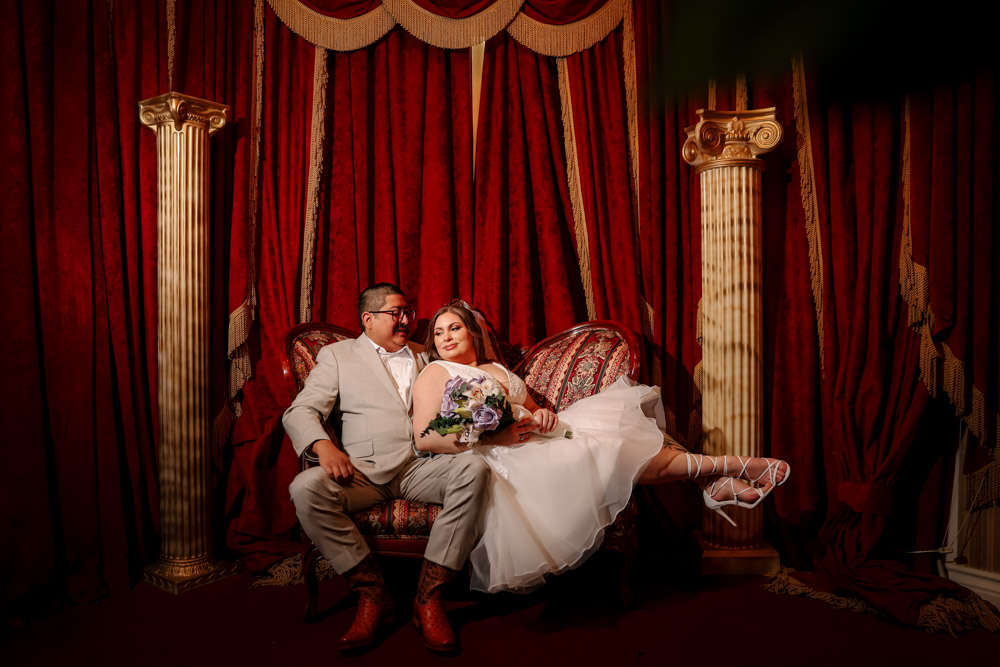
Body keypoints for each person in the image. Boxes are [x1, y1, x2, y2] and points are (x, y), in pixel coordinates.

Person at [412, 303, 790, 594]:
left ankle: (715, 480)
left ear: (472, 332)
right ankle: (722, 473)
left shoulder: (496, 369)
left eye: (455, 327)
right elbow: (426, 437)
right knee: (612, 442)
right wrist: (493, 436)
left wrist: (542, 415)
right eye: (439, 332)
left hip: (539, 436)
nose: (446, 337)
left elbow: (531, 410)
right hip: (503, 455)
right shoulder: (437, 373)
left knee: (615, 426)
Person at [284, 284, 491, 654]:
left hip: (422, 467)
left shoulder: (426, 356)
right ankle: (372, 595)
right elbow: (301, 410)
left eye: (407, 312)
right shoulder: (337, 356)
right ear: (369, 318)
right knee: (305, 488)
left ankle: (429, 596)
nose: (406, 321)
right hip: (362, 471)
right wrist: (324, 445)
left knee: (473, 469)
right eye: (396, 313)